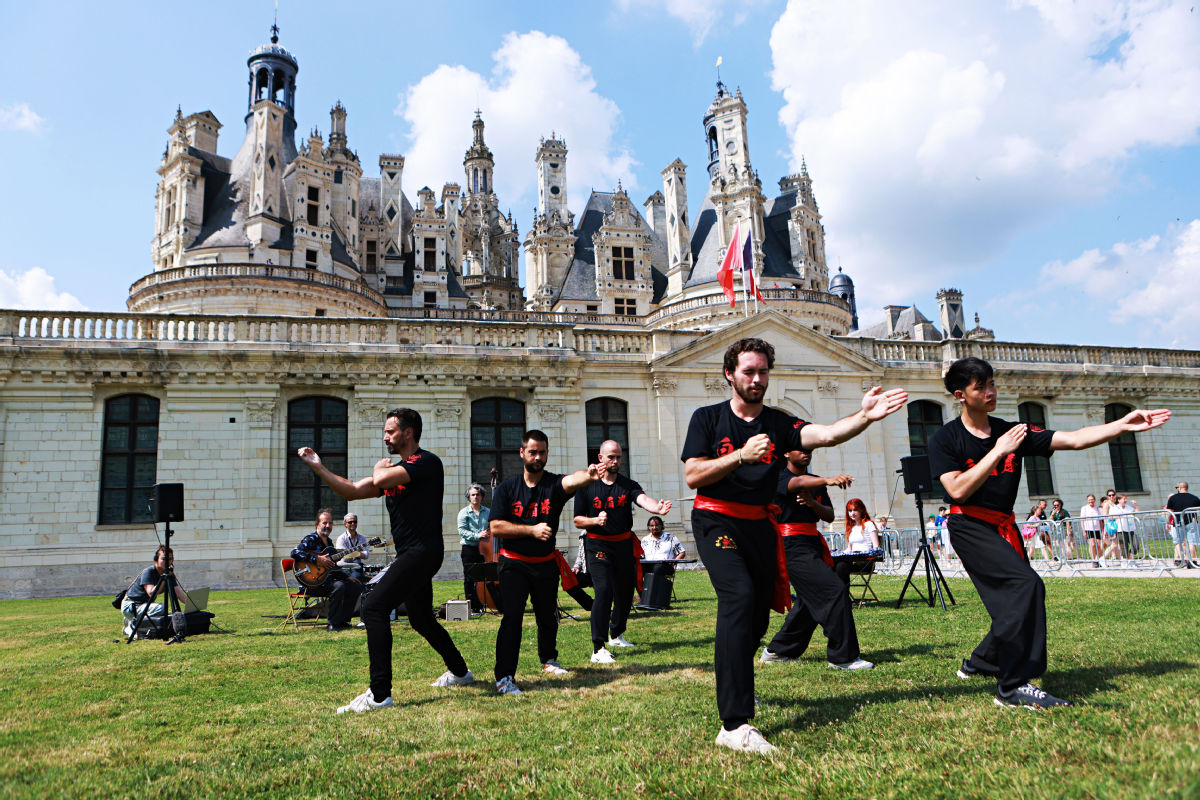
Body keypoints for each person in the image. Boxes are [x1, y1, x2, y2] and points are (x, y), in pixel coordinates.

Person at [681, 337, 907, 754]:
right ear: (730, 374)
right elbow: (694, 476)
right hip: (716, 518)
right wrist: (740, 457)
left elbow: (827, 434)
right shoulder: (707, 418)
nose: (757, 379)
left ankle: (738, 680)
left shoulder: (780, 423)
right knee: (739, 597)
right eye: (748, 371)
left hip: (760, 527)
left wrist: (865, 416)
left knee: (759, 619)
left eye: (763, 371)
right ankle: (734, 725)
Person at [929, 356, 1169, 709]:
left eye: (992, 383)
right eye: (981, 387)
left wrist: (1121, 424)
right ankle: (1013, 686)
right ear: (960, 395)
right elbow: (958, 491)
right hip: (969, 524)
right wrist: (999, 451)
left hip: (1003, 525)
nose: (991, 392)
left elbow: (1073, 439)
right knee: (1025, 587)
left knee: (1019, 597)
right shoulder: (945, 440)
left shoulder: (1012, 431)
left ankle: (982, 661)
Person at [296, 407, 475, 715]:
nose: (385, 437)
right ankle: (461, 673)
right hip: (412, 554)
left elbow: (381, 475)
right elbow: (351, 491)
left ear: (408, 433)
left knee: (374, 606)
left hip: (422, 552)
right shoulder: (394, 473)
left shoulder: (426, 463)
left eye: (390, 432)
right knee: (420, 618)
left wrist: (381, 467)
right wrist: (318, 467)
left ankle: (380, 694)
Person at [490, 430, 601, 695]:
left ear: (547, 453)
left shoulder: (553, 485)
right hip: (514, 563)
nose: (537, 457)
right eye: (532, 452)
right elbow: (495, 526)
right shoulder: (507, 489)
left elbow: (572, 481)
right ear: (522, 453)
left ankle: (548, 660)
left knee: (548, 617)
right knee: (512, 619)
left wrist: (589, 475)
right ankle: (505, 676)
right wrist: (531, 530)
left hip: (545, 563)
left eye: (542, 452)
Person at [761, 449, 869, 670]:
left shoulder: (815, 482)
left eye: (809, 450)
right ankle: (843, 657)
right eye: (800, 449)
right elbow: (796, 482)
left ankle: (778, 650)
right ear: (786, 454)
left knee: (811, 598)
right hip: (790, 546)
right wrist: (828, 480)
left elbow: (828, 515)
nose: (806, 454)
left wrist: (812, 503)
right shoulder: (779, 478)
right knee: (834, 590)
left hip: (813, 543)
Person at [573, 440, 672, 664]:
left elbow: (642, 499)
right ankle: (598, 648)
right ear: (600, 458)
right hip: (597, 545)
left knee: (625, 594)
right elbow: (578, 520)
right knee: (604, 590)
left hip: (623, 544)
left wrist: (657, 508)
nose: (616, 461)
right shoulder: (587, 485)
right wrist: (595, 520)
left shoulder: (628, 484)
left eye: (618, 457)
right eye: (611, 457)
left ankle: (616, 634)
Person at [291, 508, 364, 632]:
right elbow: (295, 552)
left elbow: (332, 568)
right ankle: (332, 624)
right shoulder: (311, 539)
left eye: (330, 523)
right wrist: (317, 559)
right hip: (312, 583)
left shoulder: (329, 543)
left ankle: (342, 621)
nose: (328, 526)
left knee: (355, 586)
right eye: (324, 523)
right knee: (339, 586)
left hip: (326, 581)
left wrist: (347, 577)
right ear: (317, 525)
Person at [121, 545, 188, 636]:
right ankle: (133, 624)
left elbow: (178, 593)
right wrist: (163, 578)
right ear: (156, 559)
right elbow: (151, 592)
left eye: (170, 559)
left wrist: (192, 604)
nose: (168, 561)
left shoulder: (170, 574)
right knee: (162, 608)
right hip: (131, 605)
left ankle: (133, 620)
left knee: (164, 612)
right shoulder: (148, 572)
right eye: (164, 559)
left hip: (144, 605)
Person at [457, 483, 490, 613]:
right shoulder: (463, 513)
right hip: (469, 549)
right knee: (469, 578)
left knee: (483, 578)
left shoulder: (488, 512)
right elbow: (462, 531)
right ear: (469, 497)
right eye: (473, 495)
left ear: (482, 497)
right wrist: (478, 535)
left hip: (485, 549)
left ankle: (483, 604)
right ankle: (472, 607)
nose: (476, 497)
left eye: (478, 495)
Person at [837, 498, 882, 585]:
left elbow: (876, 547)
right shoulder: (851, 527)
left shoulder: (869, 525)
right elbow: (849, 549)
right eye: (850, 510)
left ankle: (843, 596)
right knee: (833, 565)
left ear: (861, 510)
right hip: (852, 560)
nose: (852, 513)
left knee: (841, 567)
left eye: (855, 510)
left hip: (865, 561)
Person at [1165, 481, 1200, 567]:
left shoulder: (1173, 498)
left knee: (1178, 542)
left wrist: (1167, 522)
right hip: (1191, 521)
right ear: (1186, 488)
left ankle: (1182, 560)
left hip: (1178, 522)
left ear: (1180, 488)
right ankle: (1191, 562)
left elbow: (1169, 511)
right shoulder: (1194, 498)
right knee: (1192, 542)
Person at [334, 512, 370, 583]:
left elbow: (366, 555)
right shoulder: (341, 538)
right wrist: (359, 554)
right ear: (345, 524)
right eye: (350, 522)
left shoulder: (362, 538)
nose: (353, 524)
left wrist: (352, 554)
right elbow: (344, 556)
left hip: (356, 566)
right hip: (344, 566)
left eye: (355, 521)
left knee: (358, 566)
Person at [1080, 494, 1102, 567]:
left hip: (1097, 528)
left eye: (1092, 499)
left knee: (1099, 545)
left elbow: (1101, 520)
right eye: (1089, 499)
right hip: (1089, 529)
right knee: (1092, 544)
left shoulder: (1098, 508)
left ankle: (1097, 559)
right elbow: (1082, 520)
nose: (1091, 501)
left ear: (1094, 500)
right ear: (1087, 500)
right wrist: (1083, 530)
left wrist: (1102, 529)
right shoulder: (1084, 508)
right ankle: (1093, 560)